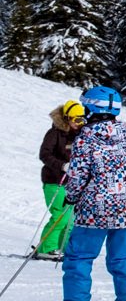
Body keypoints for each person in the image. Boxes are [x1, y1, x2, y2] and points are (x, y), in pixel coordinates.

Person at [42, 86, 126, 301]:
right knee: (121, 258)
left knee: (79, 258)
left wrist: (71, 197)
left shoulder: (86, 138)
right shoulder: (125, 134)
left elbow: (77, 175)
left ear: (91, 109)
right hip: (123, 207)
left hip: (94, 210)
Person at [34, 99, 86, 260]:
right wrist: (62, 165)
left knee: (71, 218)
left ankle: (64, 248)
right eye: (76, 119)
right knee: (59, 216)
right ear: (67, 118)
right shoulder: (55, 133)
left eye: (82, 119)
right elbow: (44, 154)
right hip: (54, 181)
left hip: (71, 184)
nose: (80, 123)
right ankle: (47, 248)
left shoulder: (80, 135)